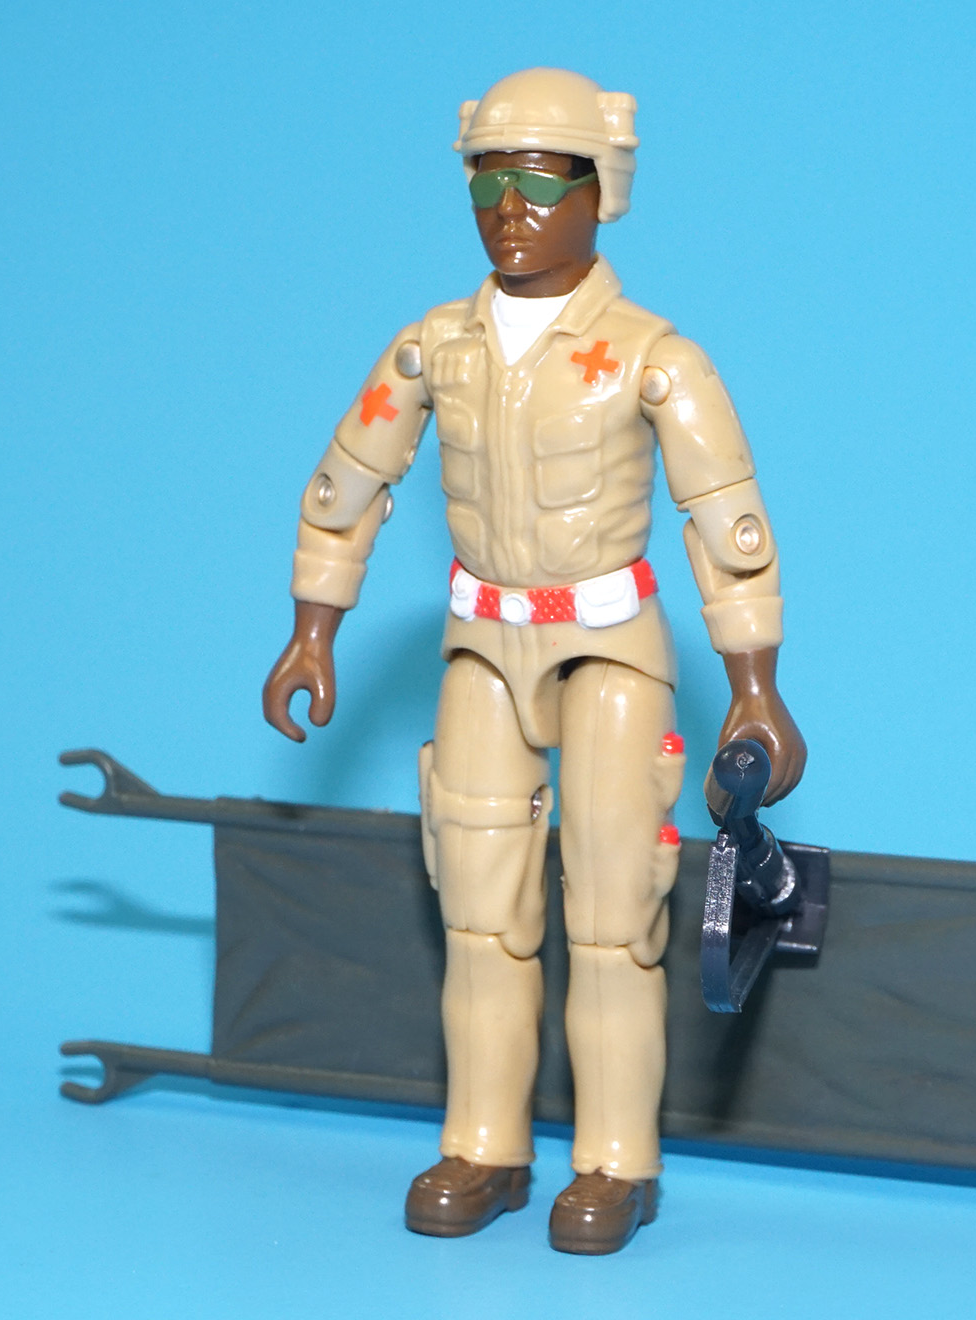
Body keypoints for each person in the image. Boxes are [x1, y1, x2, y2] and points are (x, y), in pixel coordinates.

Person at [262, 67, 805, 1255]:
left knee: (612, 916)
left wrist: (754, 683)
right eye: (487, 184)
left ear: (601, 191)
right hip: (480, 644)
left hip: (607, 647)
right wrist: (314, 624)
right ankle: (484, 1143)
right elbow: (348, 482)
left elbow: (726, 519)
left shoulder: (654, 355)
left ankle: (615, 1159)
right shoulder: (434, 348)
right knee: (479, 915)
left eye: (542, 183)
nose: (511, 210)